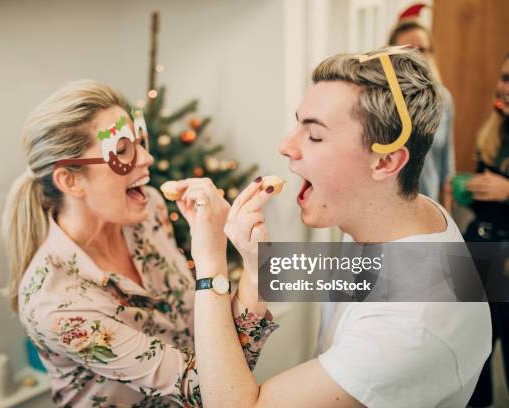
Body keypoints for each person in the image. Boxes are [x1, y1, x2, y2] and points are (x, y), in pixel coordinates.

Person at [174, 47, 492, 407]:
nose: (286, 146)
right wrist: (255, 264)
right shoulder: (396, 217)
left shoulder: (411, 325)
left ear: (386, 162)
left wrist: (210, 264)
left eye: (315, 136)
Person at [1, 80, 277, 407]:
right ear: (70, 180)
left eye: (138, 141)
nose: (146, 158)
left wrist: (257, 266)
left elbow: (214, 349)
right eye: (121, 151)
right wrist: (210, 259)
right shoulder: (57, 305)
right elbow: (211, 391)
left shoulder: (150, 211)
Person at [457, 53, 508, 408]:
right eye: (505, 77)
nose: (506, 87)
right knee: (471, 353)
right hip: (480, 246)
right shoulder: (493, 132)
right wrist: (469, 189)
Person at [389, 20, 455, 207]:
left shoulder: (444, 100)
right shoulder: (378, 101)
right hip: (385, 212)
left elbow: (446, 166)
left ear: (431, 55)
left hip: (427, 209)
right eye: (406, 51)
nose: (415, 57)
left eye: (422, 50)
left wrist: (447, 221)